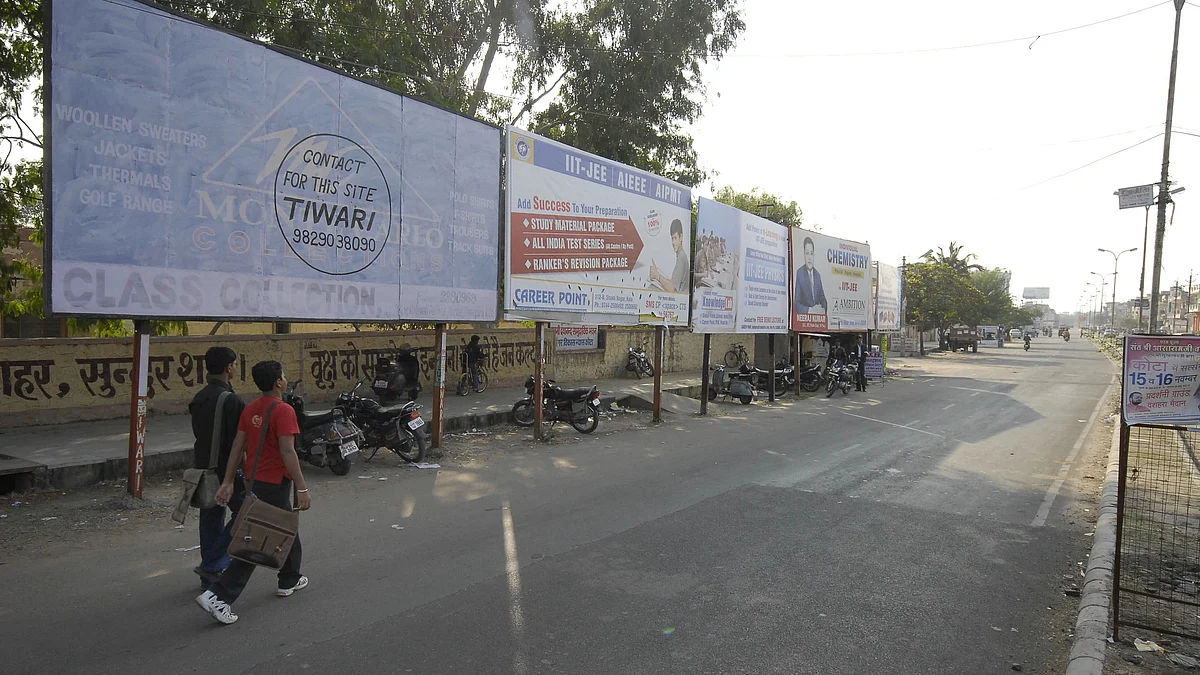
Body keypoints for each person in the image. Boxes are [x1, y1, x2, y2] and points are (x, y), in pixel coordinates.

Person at [196, 360, 311, 626]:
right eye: (283, 376)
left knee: (285, 528)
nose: (284, 379)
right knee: (261, 542)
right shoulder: (284, 410)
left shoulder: (250, 409)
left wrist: (228, 481)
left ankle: (289, 579)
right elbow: (287, 451)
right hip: (275, 483)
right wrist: (303, 487)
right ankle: (218, 596)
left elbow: (238, 447)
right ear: (278, 383)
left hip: (254, 480)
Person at [187, 346, 247, 589]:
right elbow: (239, 444)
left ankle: (209, 576)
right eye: (233, 364)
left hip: (204, 468)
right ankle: (212, 564)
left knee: (210, 519)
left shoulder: (199, 397)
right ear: (229, 367)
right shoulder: (232, 400)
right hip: (227, 471)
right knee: (246, 513)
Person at [649, 218, 689, 294]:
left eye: (675, 238)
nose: (673, 242)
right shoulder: (681, 255)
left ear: (681, 237)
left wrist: (657, 275)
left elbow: (672, 289)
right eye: (672, 239)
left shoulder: (681, 257)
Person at [793, 236, 827, 314]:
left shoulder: (817, 275)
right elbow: (796, 304)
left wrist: (822, 309)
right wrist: (810, 310)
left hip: (817, 320)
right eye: (807, 253)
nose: (809, 258)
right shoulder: (800, 273)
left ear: (814, 255)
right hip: (804, 320)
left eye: (811, 254)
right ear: (804, 255)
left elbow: (823, 299)